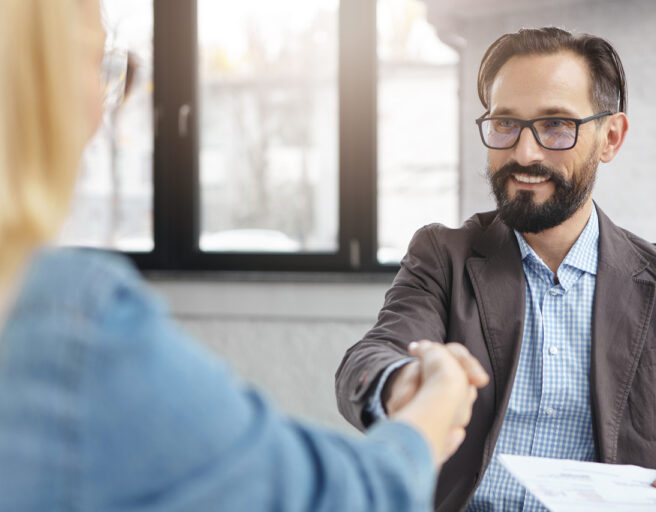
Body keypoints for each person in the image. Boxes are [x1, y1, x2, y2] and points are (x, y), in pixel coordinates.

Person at [0, 0, 489, 510]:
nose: (102, 114)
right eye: (102, 70)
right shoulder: (64, 320)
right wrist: (429, 409)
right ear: (36, 78)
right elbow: (340, 493)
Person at [335, 27, 656, 511]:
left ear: (611, 137)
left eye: (557, 126)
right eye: (505, 124)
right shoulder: (444, 256)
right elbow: (371, 358)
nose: (524, 153)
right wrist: (402, 383)